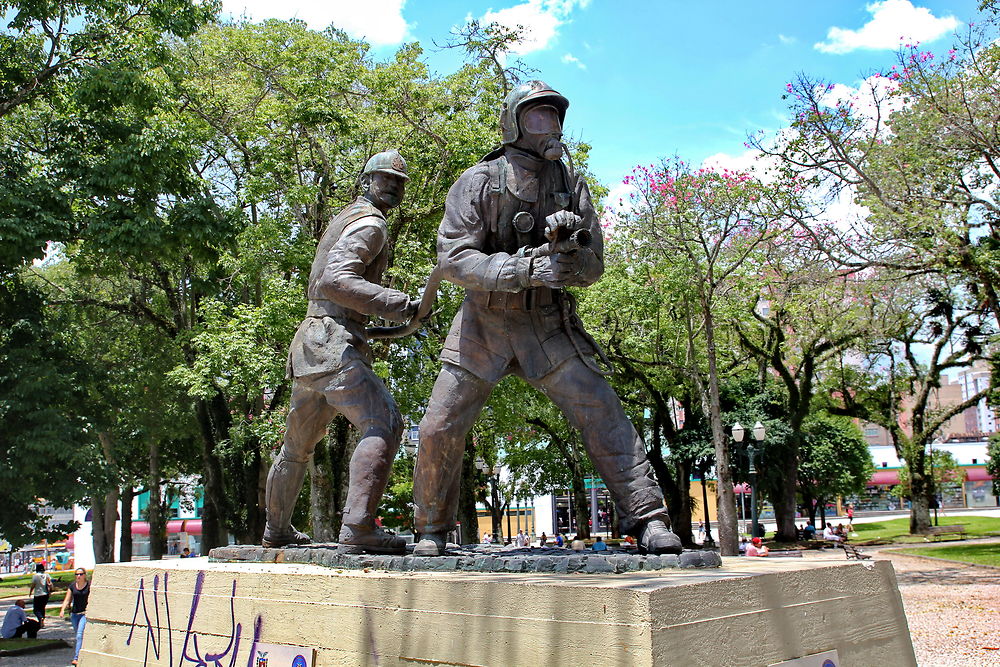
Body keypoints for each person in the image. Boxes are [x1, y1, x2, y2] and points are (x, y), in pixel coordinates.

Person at [411, 81, 682, 557]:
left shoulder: (571, 185)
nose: (550, 127)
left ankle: (648, 518)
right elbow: (453, 258)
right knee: (439, 426)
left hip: (548, 327)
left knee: (603, 411)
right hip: (484, 326)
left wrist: (572, 255)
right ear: (514, 123)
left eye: (554, 118)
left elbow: (595, 265)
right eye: (537, 117)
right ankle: (431, 528)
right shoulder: (477, 181)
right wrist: (523, 267)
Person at [262, 151, 417, 555]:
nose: (394, 186)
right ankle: (359, 527)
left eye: (399, 181)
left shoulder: (347, 217)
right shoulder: (371, 224)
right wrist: (392, 302)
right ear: (365, 181)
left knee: (296, 447)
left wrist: (381, 325)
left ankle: (275, 531)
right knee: (383, 422)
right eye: (385, 178)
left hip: (312, 345)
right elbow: (335, 281)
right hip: (332, 344)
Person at [60, 569, 90, 665]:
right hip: (74, 614)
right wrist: (62, 610)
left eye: (81, 574)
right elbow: (67, 599)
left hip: (84, 613)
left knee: (79, 635)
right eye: (77, 574)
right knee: (79, 635)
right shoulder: (72, 586)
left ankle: (76, 658)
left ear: (85, 575)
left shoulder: (89, 586)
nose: (79, 576)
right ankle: (84, 650)